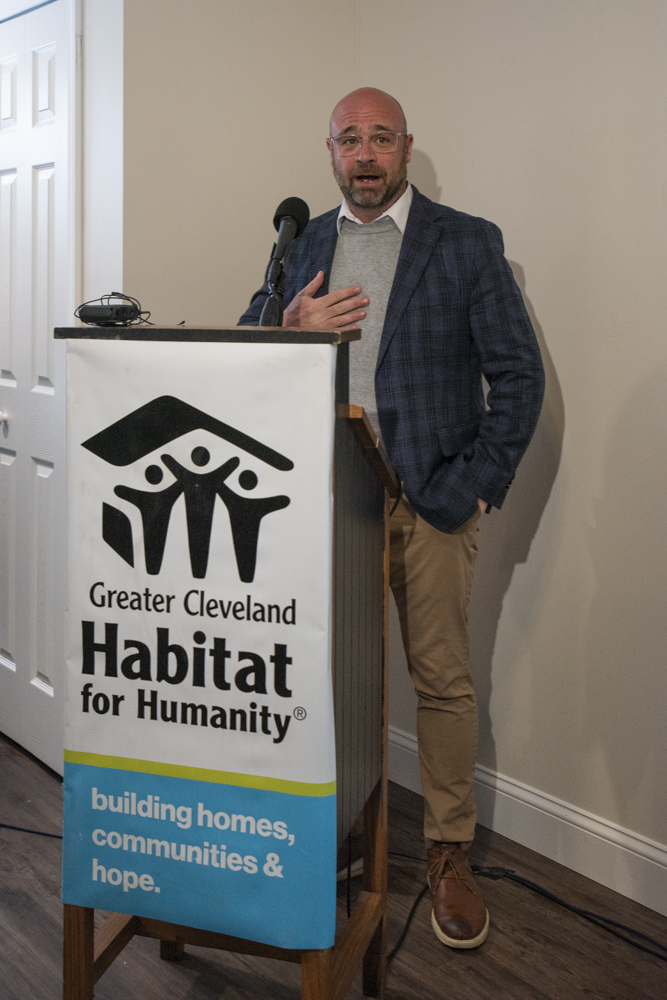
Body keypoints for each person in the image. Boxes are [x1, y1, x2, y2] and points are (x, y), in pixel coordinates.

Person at [239, 88, 544, 949]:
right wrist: (290, 321)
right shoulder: (307, 243)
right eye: (348, 140)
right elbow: (246, 338)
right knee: (332, 678)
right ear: (328, 153)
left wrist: (475, 482)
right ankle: (340, 835)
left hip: (430, 499)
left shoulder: (465, 242)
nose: (364, 154)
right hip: (330, 500)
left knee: (439, 680)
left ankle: (447, 852)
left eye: (380, 138)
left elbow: (518, 378)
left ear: (406, 147)